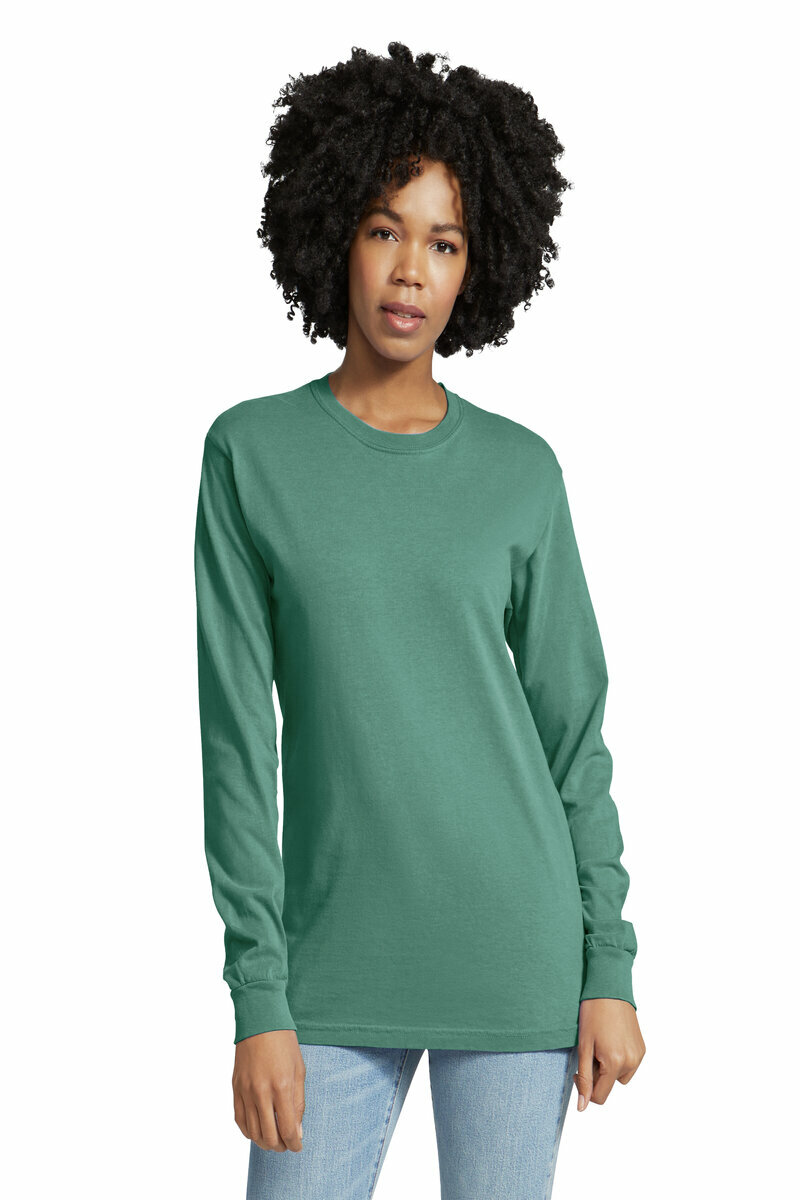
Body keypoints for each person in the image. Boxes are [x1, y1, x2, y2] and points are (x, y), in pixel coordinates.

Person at [194, 41, 646, 1200]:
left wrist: (607, 965)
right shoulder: (251, 454)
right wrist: (258, 997)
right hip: (329, 971)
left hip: (513, 956)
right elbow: (238, 748)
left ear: (476, 265)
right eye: (384, 230)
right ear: (333, 234)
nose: (409, 271)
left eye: (443, 243)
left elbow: (570, 735)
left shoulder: (519, 472)